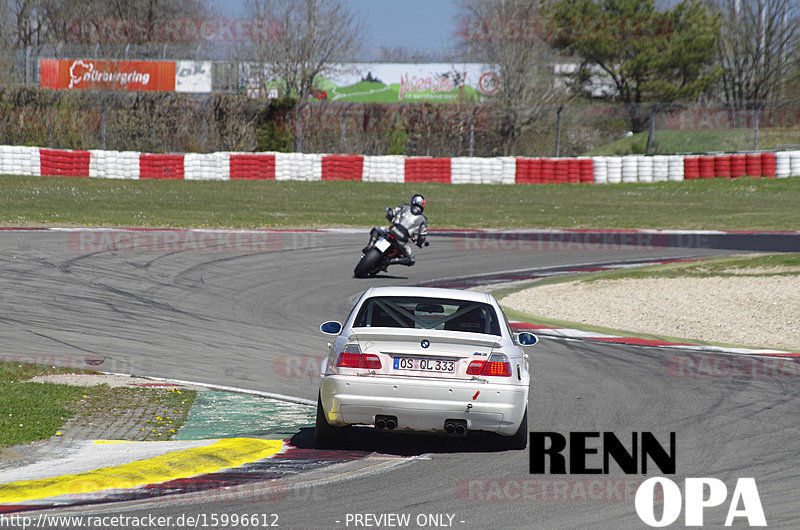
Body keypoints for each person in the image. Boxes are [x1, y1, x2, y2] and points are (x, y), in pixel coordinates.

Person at [362, 194, 428, 266]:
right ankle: (391, 261)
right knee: (411, 259)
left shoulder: (404, 206)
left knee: (376, 229)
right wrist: (419, 243)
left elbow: (390, 213)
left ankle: (370, 245)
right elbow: (422, 237)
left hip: (392, 232)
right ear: (422, 205)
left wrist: (390, 218)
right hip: (401, 241)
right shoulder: (423, 219)